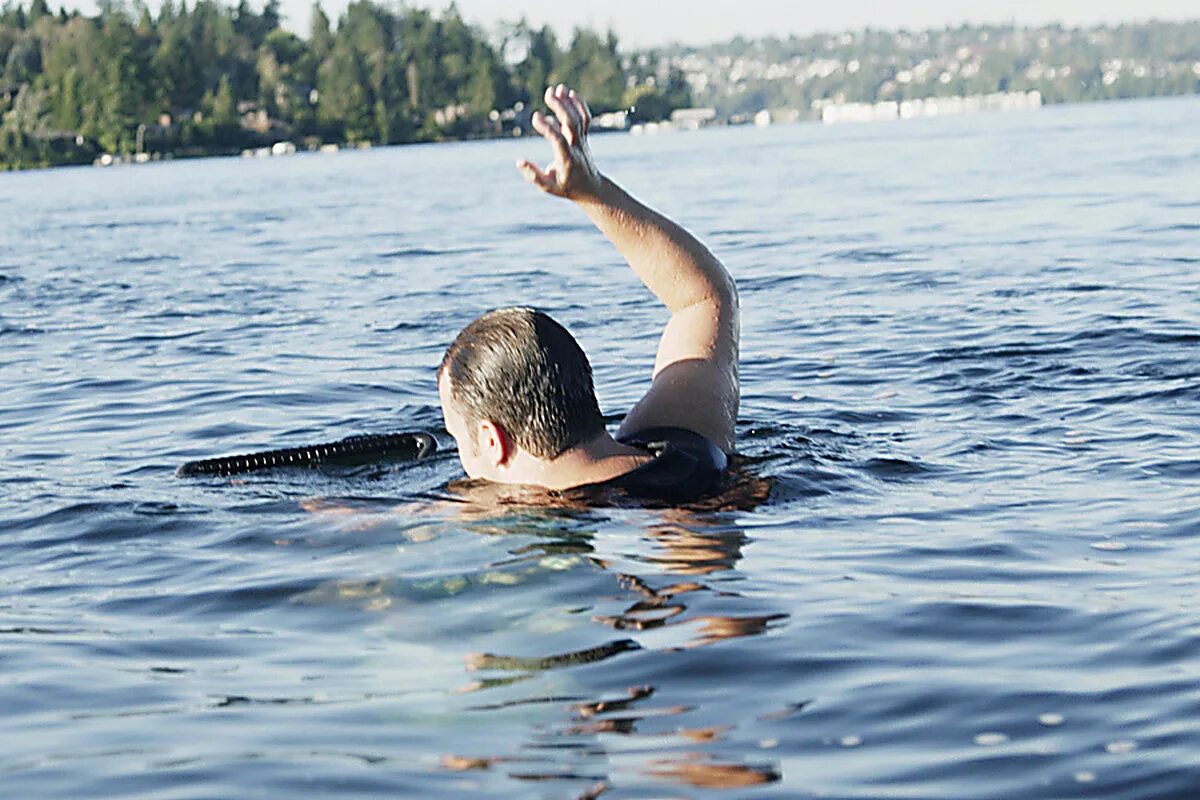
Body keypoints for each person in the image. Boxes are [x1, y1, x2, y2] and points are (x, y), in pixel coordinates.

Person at [437, 84, 739, 504]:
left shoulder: (672, 524)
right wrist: (592, 190)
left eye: (458, 439)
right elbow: (704, 299)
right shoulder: (689, 448)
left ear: (492, 441)